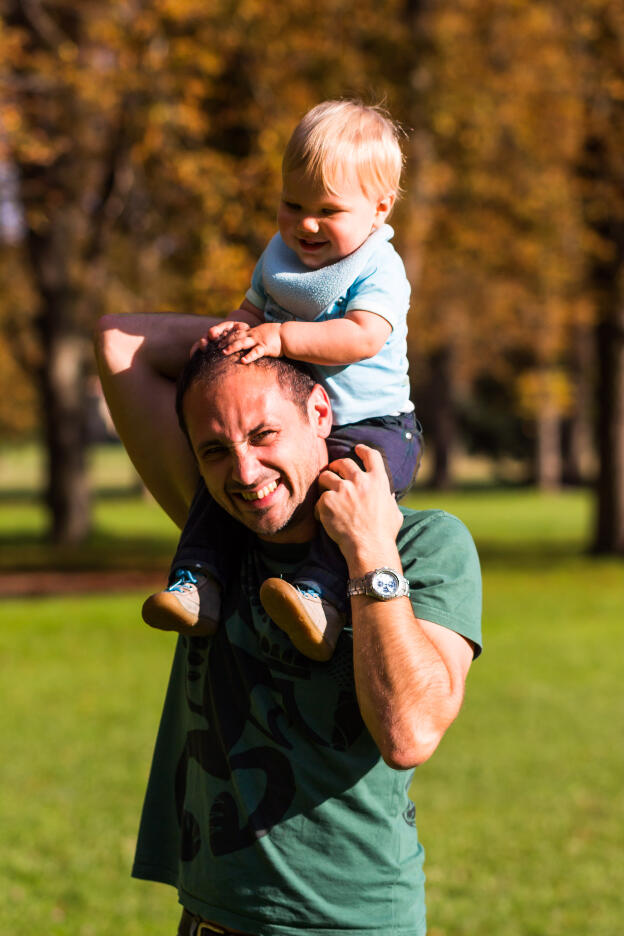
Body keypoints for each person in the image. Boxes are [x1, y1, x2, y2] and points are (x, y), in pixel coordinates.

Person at [94, 311, 482, 936]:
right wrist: (264, 332)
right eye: (214, 450)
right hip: (208, 922)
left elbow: (410, 734)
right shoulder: (223, 534)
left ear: (321, 415)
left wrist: (369, 551)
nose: (245, 474)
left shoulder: (426, 544)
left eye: (264, 433)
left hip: (346, 925)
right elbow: (120, 342)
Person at [141, 99, 422, 662]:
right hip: (294, 423)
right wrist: (231, 336)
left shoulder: (378, 268)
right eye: (291, 204)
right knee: (218, 483)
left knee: (341, 494)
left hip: (376, 426)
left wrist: (282, 337)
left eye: (327, 210)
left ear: (378, 208)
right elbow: (252, 311)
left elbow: (362, 337)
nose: (306, 224)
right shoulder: (280, 254)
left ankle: (319, 601)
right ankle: (197, 583)